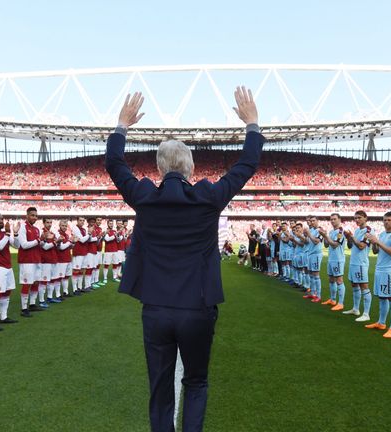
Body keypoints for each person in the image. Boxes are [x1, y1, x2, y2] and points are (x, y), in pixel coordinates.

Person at [105, 88, 263, 432]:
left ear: (160, 167)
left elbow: (114, 164)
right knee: (195, 382)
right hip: (197, 307)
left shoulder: (144, 196)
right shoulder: (208, 197)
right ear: (190, 167)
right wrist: (252, 124)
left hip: (157, 309)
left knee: (160, 387)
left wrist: (122, 126)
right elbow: (247, 164)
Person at [364, 211, 391, 339]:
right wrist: (373, 243)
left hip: (389, 270)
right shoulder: (382, 234)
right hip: (379, 269)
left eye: (388, 220)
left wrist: (378, 241)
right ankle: (381, 323)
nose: (386, 222)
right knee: (382, 297)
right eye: (384, 220)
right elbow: (376, 251)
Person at [343, 210, 372, 321]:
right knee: (354, 285)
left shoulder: (368, 231)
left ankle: (366, 314)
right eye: (355, 218)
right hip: (353, 262)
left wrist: (352, 236)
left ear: (365, 218)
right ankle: (355, 309)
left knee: (364, 287)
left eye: (359, 217)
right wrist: (348, 237)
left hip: (361, 263)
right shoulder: (357, 230)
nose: (357, 220)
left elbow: (361, 246)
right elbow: (351, 246)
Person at [16, 207, 45, 317]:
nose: (35, 217)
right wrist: (38, 240)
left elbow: (39, 245)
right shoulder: (22, 227)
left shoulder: (37, 229)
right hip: (26, 260)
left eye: (36, 216)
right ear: (27, 215)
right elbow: (24, 245)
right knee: (27, 283)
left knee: (36, 282)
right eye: (32, 215)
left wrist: (43, 240)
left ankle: (32, 304)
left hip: (37, 259)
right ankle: (24, 308)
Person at [321, 213, 346, 311]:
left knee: (339, 280)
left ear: (339, 220)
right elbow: (327, 245)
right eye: (331, 219)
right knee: (331, 279)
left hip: (338, 259)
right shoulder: (331, 231)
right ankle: (332, 299)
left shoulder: (340, 231)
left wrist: (325, 236)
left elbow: (335, 244)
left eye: (334, 219)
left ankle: (341, 303)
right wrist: (324, 236)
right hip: (331, 258)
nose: (332, 221)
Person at [304, 216, 324, 303]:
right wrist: (305, 235)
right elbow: (308, 242)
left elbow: (316, 241)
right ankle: (312, 293)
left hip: (316, 254)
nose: (311, 222)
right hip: (310, 254)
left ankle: (318, 295)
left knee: (316, 274)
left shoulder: (320, 230)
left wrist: (308, 234)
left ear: (317, 221)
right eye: (310, 221)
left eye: (313, 221)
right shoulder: (311, 230)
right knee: (311, 274)